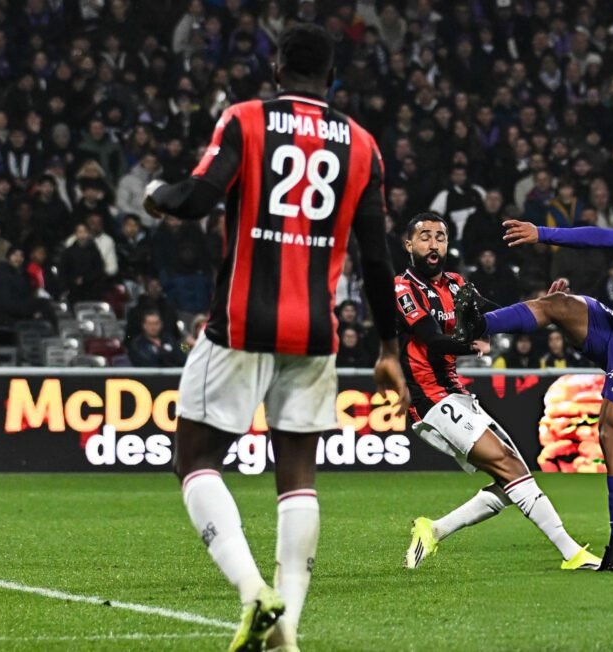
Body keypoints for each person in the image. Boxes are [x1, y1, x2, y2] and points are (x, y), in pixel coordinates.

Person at [142, 24, 408, 652]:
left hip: (240, 322)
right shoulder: (363, 145)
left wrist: (156, 194)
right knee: (298, 474)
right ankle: (287, 631)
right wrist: (388, 348)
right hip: (315, 331)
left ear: (277, 69)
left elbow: (196, 198)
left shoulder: (246, 120)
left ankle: (252, 592)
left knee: (196, 460)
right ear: (332, 77)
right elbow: (377, 260)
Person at [453, 159, 613, 571]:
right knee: (558, 304)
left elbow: (602, 238)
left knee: (611, 436)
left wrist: (543, 233)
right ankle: (473, 326)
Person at [397, 213, 600, 572]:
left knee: (513, 477)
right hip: (429, 399)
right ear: (408, 244)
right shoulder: (403, 289)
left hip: (456, 394)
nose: (433, 244)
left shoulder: (457, 284)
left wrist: (544, 306)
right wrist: (468, 343)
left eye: (440, 237)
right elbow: (431, 338)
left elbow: (500, 315)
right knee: (509, 467)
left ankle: (434, 530)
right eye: (425, 237)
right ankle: (572, 553)